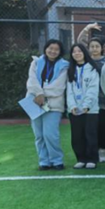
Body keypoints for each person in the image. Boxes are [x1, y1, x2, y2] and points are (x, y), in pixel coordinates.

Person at [26, 39, 69, 171]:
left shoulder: (64, 66)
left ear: (60, 52)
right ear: (45, 48)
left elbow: (59, 86)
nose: (53, 51)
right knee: (39, 135)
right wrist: (38, 93)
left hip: (54, 104)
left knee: (51, 134)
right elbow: (31, 80)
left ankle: (57, 161)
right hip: (34, 101)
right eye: (50, 48)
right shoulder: (36, 62)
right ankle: (44, 161)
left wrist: (42, 94)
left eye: (56, 49)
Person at [66, 43, 101, 169]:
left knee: (90, 134)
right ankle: (81, 158)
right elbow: (69, 90)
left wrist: (87, 105)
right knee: (77, 135)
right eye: (74, 51)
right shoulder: (70, 70)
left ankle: (92, 159)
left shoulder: (92, 68)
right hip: (75, 110)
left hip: (90, 109)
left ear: (84, 53)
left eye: (79, 51)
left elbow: (93, 88)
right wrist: (72, 106)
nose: (77, 53)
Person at [87, 37, 105, 162]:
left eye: (97, 46)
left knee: (104, 127)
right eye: (92, 46)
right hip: (89, 102)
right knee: (91, 128)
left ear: (102, 48)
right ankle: (92, 150)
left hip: (104, 101)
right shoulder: (85, 61)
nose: (94, 49)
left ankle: (103, 149)